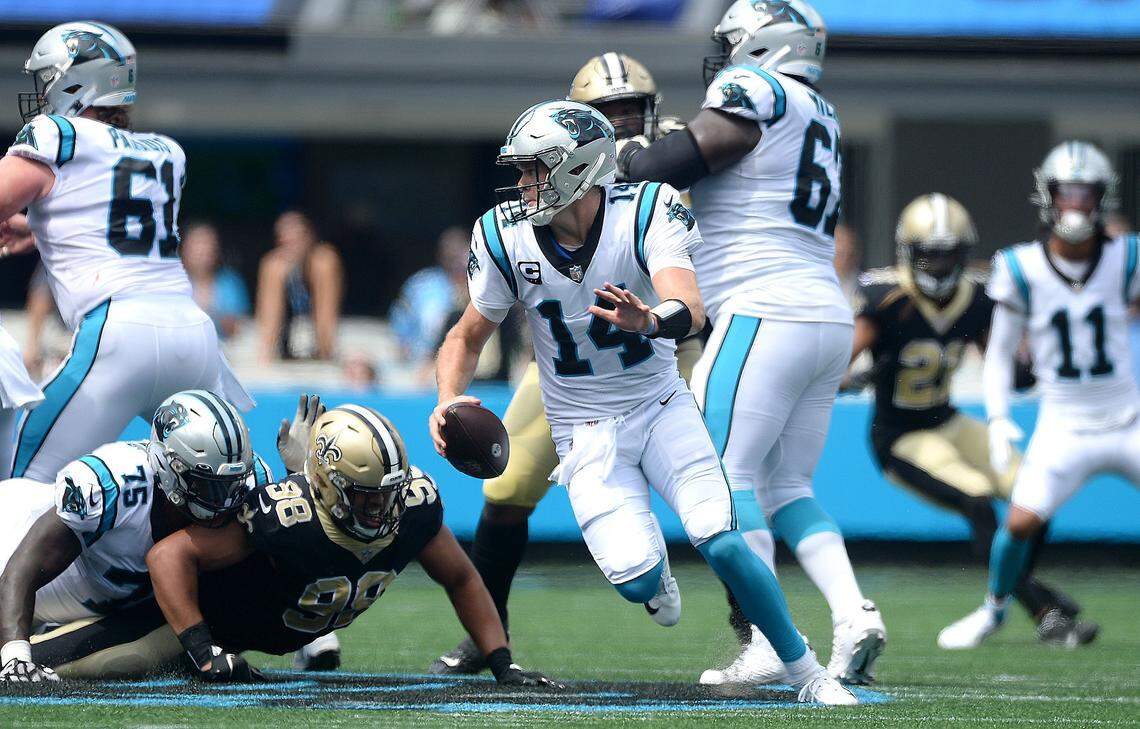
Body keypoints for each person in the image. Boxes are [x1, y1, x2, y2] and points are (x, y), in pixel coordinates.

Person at [431, 98, 855, 704]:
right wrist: (448, 399)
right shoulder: (505, 235)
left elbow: (691, 309)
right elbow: (465, 336)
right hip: (582, 428)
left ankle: (807, 671)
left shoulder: (648, 210)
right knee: (635, 583)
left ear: (577, 167)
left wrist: (650, 319)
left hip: (659, 407)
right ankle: (654, 579)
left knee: (723, 537)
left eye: (535, 170)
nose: (523, 184)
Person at [615, 0, 885, 684]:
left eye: (736, 43)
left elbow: (687, 156)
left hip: (764, 307)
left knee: (719, 476)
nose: (727, 58)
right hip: (825, 311)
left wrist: (633, 155)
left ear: (765, 45)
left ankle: (771, 641)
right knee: (787, 482)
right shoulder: (820, 111)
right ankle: (854, 613)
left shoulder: (756, 89)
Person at [429, 53, 704, 676]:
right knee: (505, 489)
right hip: (569, 369)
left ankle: (757, 635)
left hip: (665, 358)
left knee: (723, 499)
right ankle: (488, 634)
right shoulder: (544, 188)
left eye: (633, 110)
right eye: (608, 113)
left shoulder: (671, 166)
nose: (622, 124)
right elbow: (473, 328)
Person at [129, 404, 558, 687]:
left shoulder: (413, 509)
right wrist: (205, 651)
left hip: (269, 634)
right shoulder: (285, 518)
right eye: (364, 494)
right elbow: (168, 554)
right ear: (328, 484)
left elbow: (462, 577)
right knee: (90, 665)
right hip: (195, 624)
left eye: (388, 492)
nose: (380, 507)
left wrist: (502, 664)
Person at [0, 22, 253, 483]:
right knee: (226, 488)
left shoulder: (59, 134)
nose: (43, 93)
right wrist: (38, 232)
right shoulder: (165, 151)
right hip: (192, 334)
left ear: (76, 80)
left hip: (118, 332)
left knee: (24, 485)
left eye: (49, 78)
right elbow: (115, 225)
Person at [851, 193, 1096, 648]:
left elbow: (1009, 371)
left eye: (949, 255)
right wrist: (861, 371)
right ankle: (1041, 609)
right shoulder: (886, 298)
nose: (940, 266)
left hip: (948, 420)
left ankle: (1026, 592)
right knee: (978, 500)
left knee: (1035, 495)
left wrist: (1039, 353)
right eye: (930, 254)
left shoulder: (975, 299)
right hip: (901, 437)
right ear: (909, 253)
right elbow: (840, 364)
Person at [938, 141, 1138, 649]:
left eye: (1084, 193)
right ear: (1048, 197)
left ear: (1102, 199)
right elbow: (1000, 353)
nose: (1074, 204)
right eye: (1065, 193)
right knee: (1020, 521)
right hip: (1065, 424)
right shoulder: (1020, 266)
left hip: (1129, 417)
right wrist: (1000, 417)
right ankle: (994, 609)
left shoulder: (1129, 256)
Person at [0, 390, 279, 682]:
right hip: (9, 538)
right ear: (169, 467)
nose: (225, 501)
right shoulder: (114, 484)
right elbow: (19, 571)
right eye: (209, 486)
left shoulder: (250, 483)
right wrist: (16, 658)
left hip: (83, 601)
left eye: (230, 485)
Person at [255, 211, 343, 362]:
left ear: (309, 238)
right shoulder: (273, 265)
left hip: (324, 339)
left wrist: (324, 353)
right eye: (285, 241)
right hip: (286, 338)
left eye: (297, 240)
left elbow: (326, 319)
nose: (292, 247)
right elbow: (267, 327)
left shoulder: (324, 261)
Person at [389, 227, 471, 376]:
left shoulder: (484, 286)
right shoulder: (421, 284)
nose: (454, 254)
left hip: (469, 367)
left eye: (460, 250)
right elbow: (400, 322)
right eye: (450, 249)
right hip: (419, 365)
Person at [181, 222, 251, 340]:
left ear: (216, 250)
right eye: (197, 245)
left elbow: (237, 328)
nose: (203, 252)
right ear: (184, 250)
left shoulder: (231, 282)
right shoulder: (171, 283)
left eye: (208, 245)